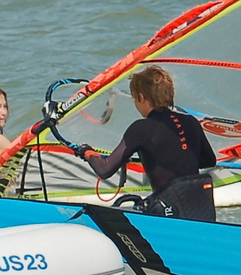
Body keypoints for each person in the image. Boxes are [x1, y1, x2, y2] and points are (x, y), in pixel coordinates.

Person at [73, 65, 217, 221]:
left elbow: (105, 169)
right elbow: (209, 161)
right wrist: (175, 156)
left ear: (141, 97)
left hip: (170, 214)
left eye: (135, 99)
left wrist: (86, 152)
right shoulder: (191, 121)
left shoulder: (141, 128)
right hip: (200, 211)